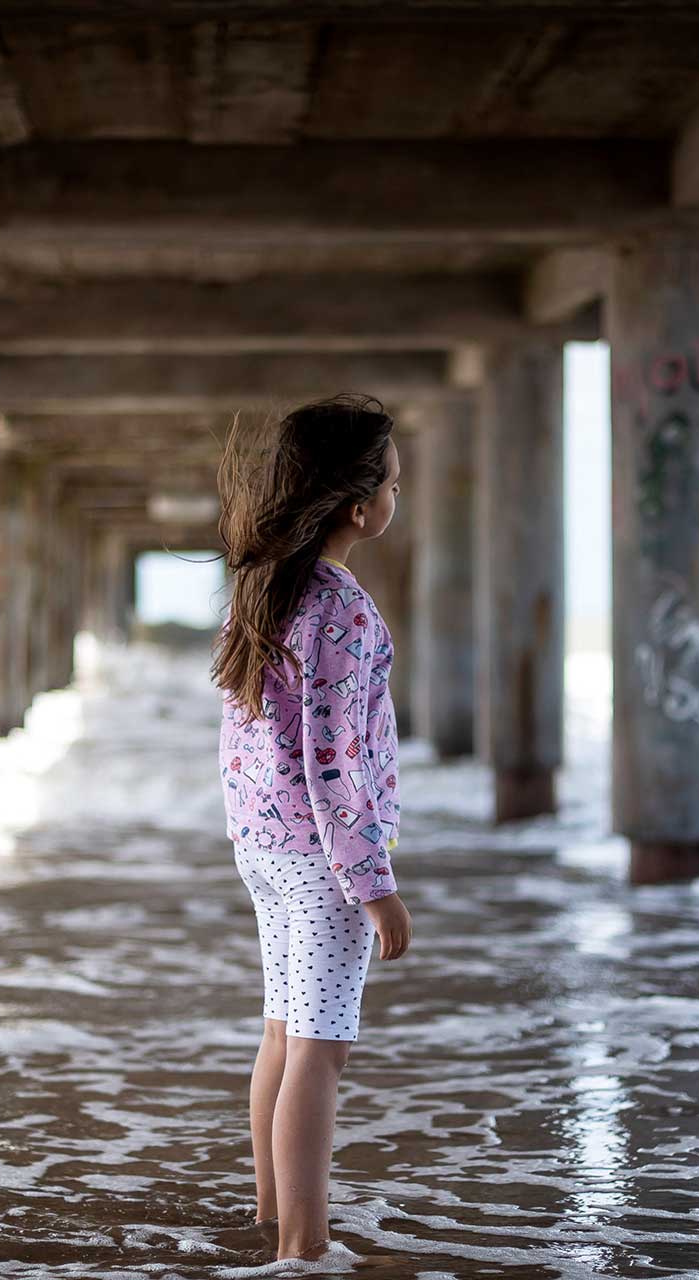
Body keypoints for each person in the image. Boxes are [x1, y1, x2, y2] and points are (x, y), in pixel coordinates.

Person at [209, 393, 413, 1262]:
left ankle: (271, 1213)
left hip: (263, 844)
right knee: (319, 1055)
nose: (398, 495)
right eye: (394, 481)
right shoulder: (342, 611)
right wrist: (375, 886)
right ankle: (304, 1244)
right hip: (321, 861)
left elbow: (244, 733)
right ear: (359, 507)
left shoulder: (262, 590)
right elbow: (333, 760)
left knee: (283, 1035)